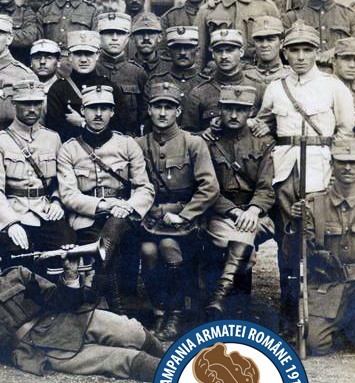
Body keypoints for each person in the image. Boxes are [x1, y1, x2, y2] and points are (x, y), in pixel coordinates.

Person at [0, 233, 163, 380]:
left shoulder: (16, 275)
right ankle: (173, 376)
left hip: (65, 319)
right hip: (40, 348)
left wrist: (70, 274)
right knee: (118, 360)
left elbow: (61, 301)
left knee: (131, 331)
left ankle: (167, 357)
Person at [256, 23, 355, 332]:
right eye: (294, 50)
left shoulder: (333, 86)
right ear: (284, 53)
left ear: (316, 52)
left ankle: (320, 313)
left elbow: (346, 131)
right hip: (286, 170)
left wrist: (336, 170)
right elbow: (263, 123)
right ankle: (289, 314)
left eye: (306, 50)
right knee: (288, 243)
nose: (300, 57)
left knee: (317, 239)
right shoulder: (276, 87)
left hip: (320, 170)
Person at [57, 85, 155, 313]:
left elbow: (144, 187)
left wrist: (128, 207)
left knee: (121, 234)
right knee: (110, 234)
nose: (99, 114)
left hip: (125, 215)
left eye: (104, 108)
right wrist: (106, 206)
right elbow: (69, 195)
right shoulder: (69, 149)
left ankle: (108, 294)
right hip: (86, 218)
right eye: (93, 108)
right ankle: (116, 309)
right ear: (83, 111)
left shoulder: (128, 144)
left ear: (112, 112)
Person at [137, 82, 219, 341]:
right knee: (147, 250)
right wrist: (147, 209)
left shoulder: (193, 143)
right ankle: (159, 311)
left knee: (168, 247)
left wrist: (184, 214)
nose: (163, 113)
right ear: (149, 110)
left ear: (178, 111)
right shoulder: (139, 144)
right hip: (151, 219)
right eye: (157, 107)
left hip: (185, 222)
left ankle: (176, 315)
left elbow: (209, 187)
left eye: (169, 107)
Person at [0, 80, 74, 267]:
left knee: (66, 247)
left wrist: (57, 201)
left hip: (45, 211)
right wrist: (10, 223)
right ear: (14, 103)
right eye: (26, 104)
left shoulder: (52, 138)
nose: (32, 109)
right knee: (17, 255)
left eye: (37, 103)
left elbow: (62, 178)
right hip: (14, 211)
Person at [203, 85, 275, 320]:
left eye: (241, 110)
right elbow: (207, 188)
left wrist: (253, 210)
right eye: (228, 109)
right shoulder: (208, 142)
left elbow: (266, 187)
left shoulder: (263, 143)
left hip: (257, 215)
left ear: (251, 112)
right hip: (221, 213)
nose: (234, 115)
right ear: (219, 110)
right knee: (242, 239)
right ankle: (233, 307)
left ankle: (220, 297)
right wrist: (233, 211)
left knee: (245, 231)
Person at [298, 137, 355, 358]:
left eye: (354, 162)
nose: (348, 167)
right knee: (315, 344)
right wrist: (296, 224)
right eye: (341, 161)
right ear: (332, 164)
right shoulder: (313, 204)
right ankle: (347, 329)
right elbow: (296, 254)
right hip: (328, 284)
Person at [182, 29, 264, 133]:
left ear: (241, 52)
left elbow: (269, 126)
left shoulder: (259, 88)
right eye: (218, 51)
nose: (224, 56)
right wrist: (203, 134)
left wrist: (264, 127)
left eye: (229, 50)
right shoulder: (199, 93)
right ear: (213, 54)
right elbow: (187, 134)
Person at [45, 30, 114, 139]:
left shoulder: (109, 87)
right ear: (69, 56)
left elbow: (119, 127)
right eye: (78, 54)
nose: (83, 60)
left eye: (89, 54)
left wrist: (82, 123)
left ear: (97, 55)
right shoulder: (58, 89)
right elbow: (54, 131)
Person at [95, 13, 147, 136]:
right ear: (99, 37)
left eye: (120, 33)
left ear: (128, 38)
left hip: (128, 139)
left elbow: (144, 115)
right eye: (109, 33)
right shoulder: (91, 69)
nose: (114, 38)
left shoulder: (137, 73)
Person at [151, 25, 204, 96]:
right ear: (168, 52)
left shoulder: (204, 83)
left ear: (197, 51)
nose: (182, 53)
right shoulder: (156, 81)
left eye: (187, 47)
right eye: (177, 47)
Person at [243, 15, 291, 89]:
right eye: (259, 40)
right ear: (254, 43)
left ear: (281, 43)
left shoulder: (291, 76)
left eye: (270, 40)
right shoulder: (244, 76)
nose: (264, 45)